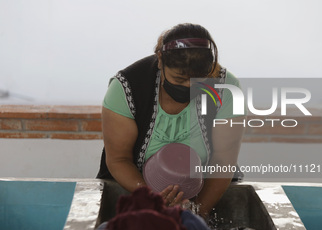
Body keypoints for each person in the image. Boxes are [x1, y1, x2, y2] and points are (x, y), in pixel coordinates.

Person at [97, 23, 246, 219]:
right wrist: (154, 199)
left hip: (208, 193)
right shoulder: (127, 88)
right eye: (179, 79)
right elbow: (118, 159)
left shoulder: (225, 89)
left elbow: (223, 160)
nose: (189, 86)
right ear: (160, 60)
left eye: (198, 80)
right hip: (132, 190)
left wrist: (197, 213)